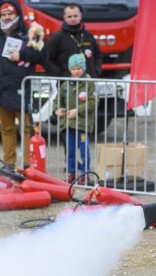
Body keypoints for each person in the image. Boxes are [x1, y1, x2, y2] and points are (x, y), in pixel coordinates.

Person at [0, 1, 43, 170]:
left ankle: (30, 167)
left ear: (17, 14)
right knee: (6, 129)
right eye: (4, 14)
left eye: (10, 13)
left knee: (26, 129)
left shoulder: (28, 32)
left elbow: (41, 55)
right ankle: (9, 165)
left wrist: (22, 54)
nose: (7, 17)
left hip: (20, 89)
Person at [54, 54, 95, 183]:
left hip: (83, 124)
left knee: (84, 150)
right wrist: (57, 109)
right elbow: (57, 100)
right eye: (74, 69)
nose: (76, 71)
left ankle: (85, 173)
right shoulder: (65, 85)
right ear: (70, 70)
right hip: (68, 124)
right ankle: (72, 172)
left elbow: (93, 102)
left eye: (79, 68)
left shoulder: (89, 84)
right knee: (70, 150)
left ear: (83, 69)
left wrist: (78, 111)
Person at [43, 3, 102, 78]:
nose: (73, 19)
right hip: (66, 83)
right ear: (64, 18)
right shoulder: (57, 37)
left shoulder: (88, 35)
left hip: (89, 81)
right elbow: (46, 59)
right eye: (69, 16)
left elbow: (98, 56)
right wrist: (61, 75)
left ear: (80, 16)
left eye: (75, 16)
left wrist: (96, 71)